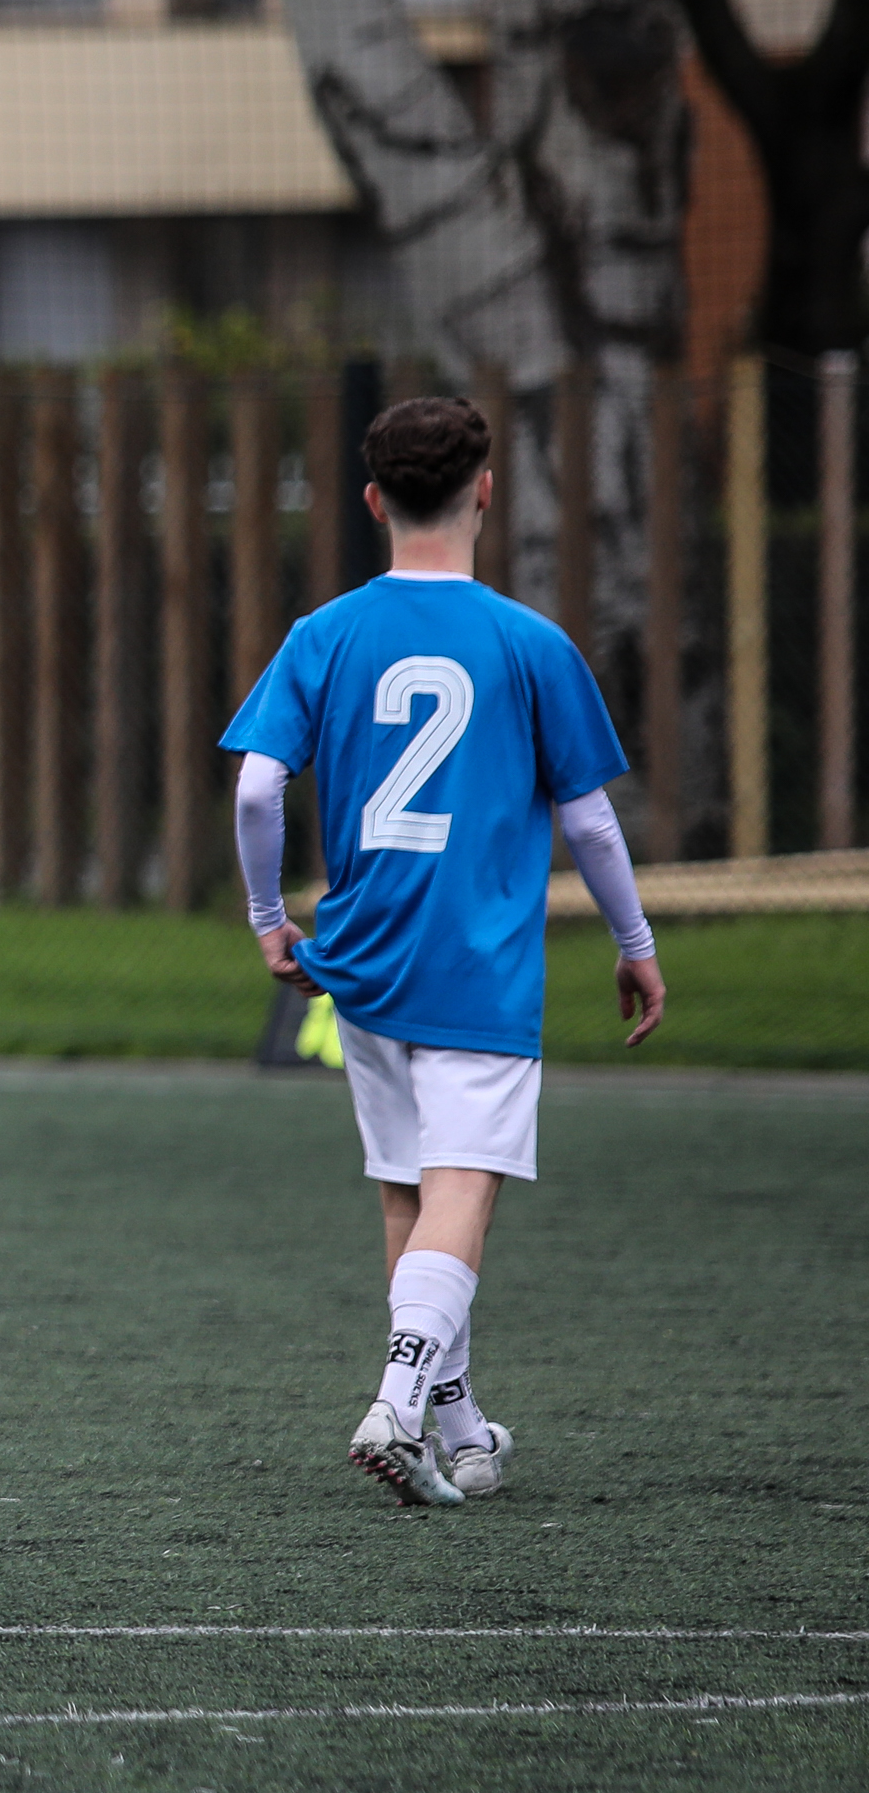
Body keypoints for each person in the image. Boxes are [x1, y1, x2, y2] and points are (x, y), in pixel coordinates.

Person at [220, 396, 666, 1507]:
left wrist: (269, 915)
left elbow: (257, 786)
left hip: (360, 959)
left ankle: (458, 1428)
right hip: (478, 966)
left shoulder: (325, 633)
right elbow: (594, 823)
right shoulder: (529, 642)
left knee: (405, 1195)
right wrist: (634, 941)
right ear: (485, 491)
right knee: (463, 1187)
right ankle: (397, 1399)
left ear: (373, 500)